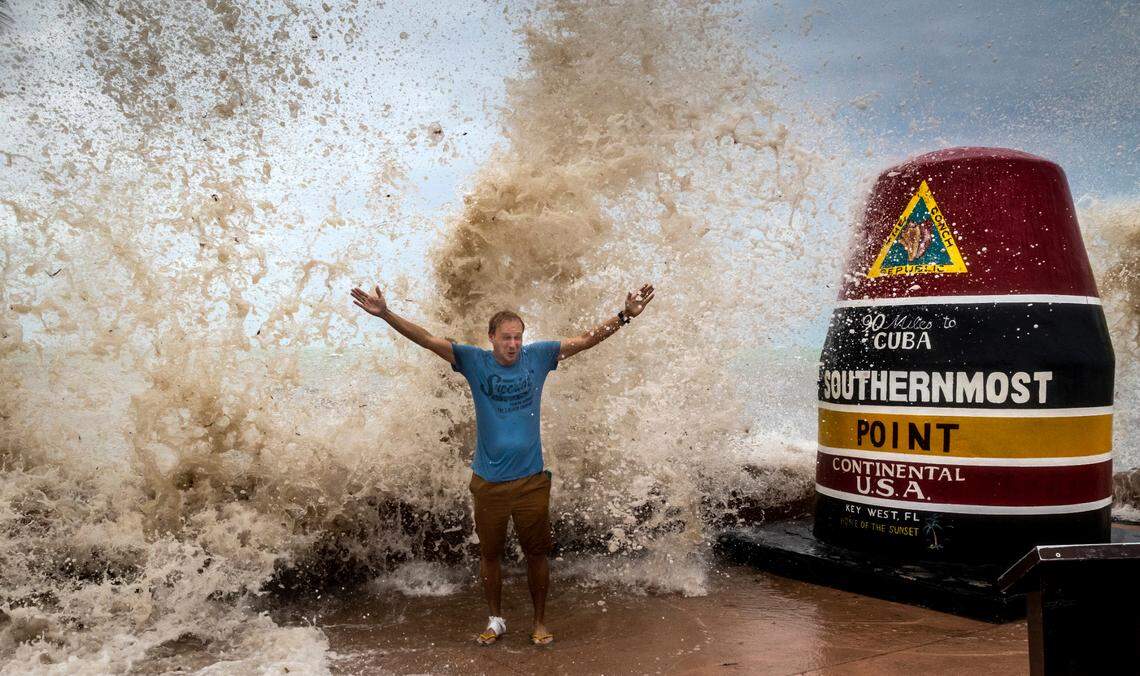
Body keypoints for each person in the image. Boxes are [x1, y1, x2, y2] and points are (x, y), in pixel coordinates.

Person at [349, 282, 656, 646]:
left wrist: (623, 316)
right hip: (488, 482)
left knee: (537, 554)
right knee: (490, 554)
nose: (513, 345)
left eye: (518, 338)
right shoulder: (473, 361)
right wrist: (386, 315)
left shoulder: (539, 357)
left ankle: (540, 621)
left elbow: (585, 340)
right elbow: (428, 339)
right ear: (491, 337)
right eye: (506, 338)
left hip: (531, 481)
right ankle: (496, 619)